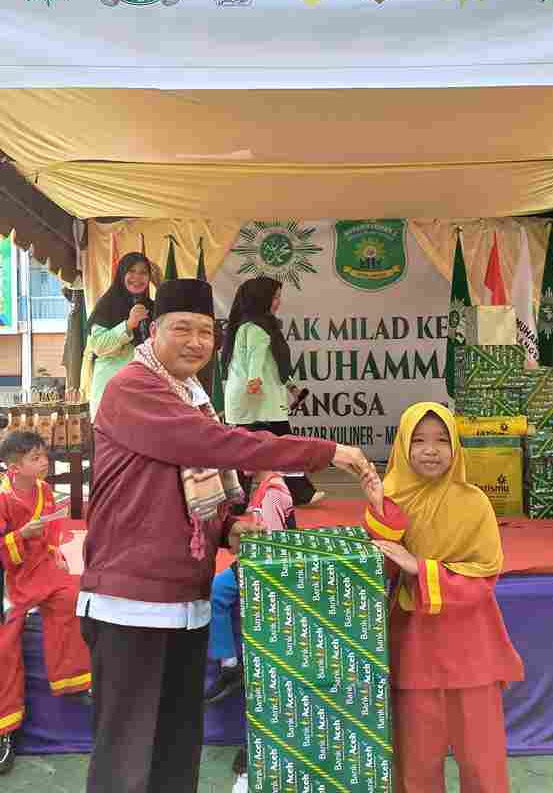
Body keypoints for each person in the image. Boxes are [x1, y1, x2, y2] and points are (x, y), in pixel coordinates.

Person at [77, 278, 369, 793]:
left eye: (205, 332)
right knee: (126, 758)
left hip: (186, 598)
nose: (195, 342)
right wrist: (324, 452)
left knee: (175, 750)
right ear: (152, 331)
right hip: (131, 600)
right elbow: (215, 445)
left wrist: (230, 526)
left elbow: (188, 491)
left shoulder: (192, 396)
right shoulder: (133, 388)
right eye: (182, 329)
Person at [360, 402, 524, 793]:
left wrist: (421, 567)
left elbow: (483, 578)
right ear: (402, 446)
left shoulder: (474, 503)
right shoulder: (391, 498)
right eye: (418, 440)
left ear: (455, 447)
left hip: (472, 647)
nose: (430, 450)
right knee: (415, 762)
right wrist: (379, 510)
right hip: (414, 646)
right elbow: (379, 573)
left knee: (482, 761)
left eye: (441, 440)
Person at [0, 431, 92, 776]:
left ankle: (74, 680)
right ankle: (5, 728)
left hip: (43, 568)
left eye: (44, 456)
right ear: (15, 467)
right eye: (35, 458)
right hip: (14, 574)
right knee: (5, 645)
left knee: (74, 597)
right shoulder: (3, 498)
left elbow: (53, 534)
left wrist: (55, 553)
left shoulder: (44, 490)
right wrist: (20, 536)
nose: (45, 463)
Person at [205, 471, 295, 793]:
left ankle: (230, 665)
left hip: (265, 575)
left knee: (217, 593)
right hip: (259, 569)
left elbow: (272, 546)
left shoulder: (272, 493)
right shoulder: (266, 487)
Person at [221, 276, 325, 507]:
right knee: (281, 446)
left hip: (253, 399)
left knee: (247, 449)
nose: (278, 302)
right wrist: (254, 380)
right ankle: (298, 493)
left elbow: (273, 366)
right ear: (261, 298)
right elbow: (255, 358)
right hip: (256, 400)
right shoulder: (257, 328)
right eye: (275, 297)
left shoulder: (251, 326)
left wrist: (292, 388)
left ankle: (238, 500)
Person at [85, 252, 153, 421]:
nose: (137, 278)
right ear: (122, 274)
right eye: (132, 271)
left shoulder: (151, 306)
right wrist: (128, 325)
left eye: (143, 272)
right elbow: (99, 346)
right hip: (112, 393)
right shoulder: (107, 304)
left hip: (144, 393)